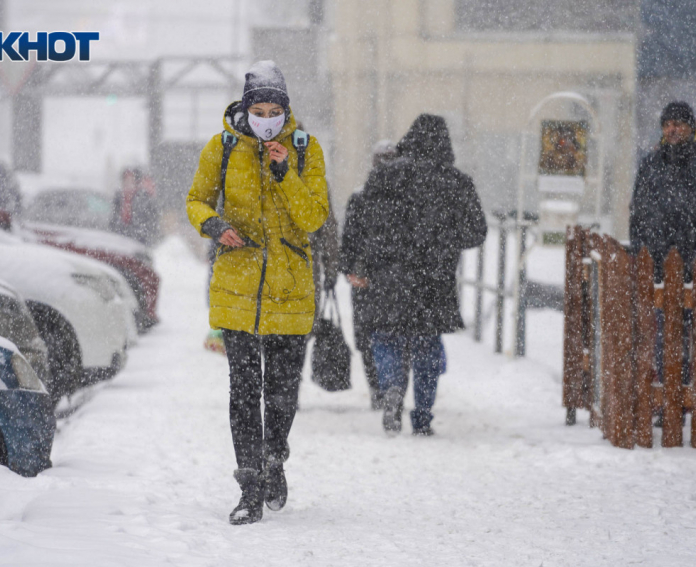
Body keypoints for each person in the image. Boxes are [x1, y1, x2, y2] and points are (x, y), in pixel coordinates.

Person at [186, 61, 329, 525]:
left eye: (274, 110)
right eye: (258, 109)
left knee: (282, 395)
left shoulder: (305, 151)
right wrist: (214, 224)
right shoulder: (222, 148)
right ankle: (249, 486)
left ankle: (275, 460)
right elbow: (197, 199)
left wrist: (285, 172)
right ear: (245, 110)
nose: (266, 117)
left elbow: (314, 219)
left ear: (285, 112)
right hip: (238, 289)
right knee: (244, 393)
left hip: (291, 289)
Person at [350, 114, 487, 436]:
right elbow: (476, 232)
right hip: (434, 277)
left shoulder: (384, 176)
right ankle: (423, 414)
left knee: (386, 337)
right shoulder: (457, 181)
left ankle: (392, 389)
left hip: (389, 274)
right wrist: (445, 241)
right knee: (427, 345)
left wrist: (366, 263)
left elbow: (368, 227)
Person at [630, 102, 696, 280]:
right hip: (658, 269)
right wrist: (641, 249)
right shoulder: (650, 166)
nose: (671, 130)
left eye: (677, 124)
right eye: (666, 125)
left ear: (690, 127)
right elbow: (638, 214)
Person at [340, 140, 402, 410]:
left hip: (366, 278)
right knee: (394, 335)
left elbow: (349, 240)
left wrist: (351, 269)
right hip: (398, 279)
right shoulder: (407, 198)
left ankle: (379, 389)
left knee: (369, 336)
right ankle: (391, 386)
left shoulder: (360, 197)